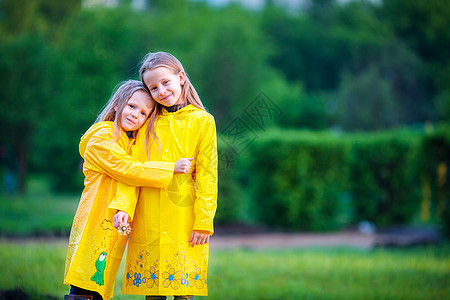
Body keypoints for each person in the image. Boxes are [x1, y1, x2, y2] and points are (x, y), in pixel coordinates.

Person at [64, 80, 194, 300]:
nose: (136, 115)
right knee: (85, 278)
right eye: (132, 106)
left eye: (144, 113)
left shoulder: (129, 141)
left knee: (99, 279)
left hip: (115, 221)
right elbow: (128, 169)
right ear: (117, 105)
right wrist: (170, 167)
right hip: (95, 219)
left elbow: (131, 180)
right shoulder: (100, 139)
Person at [111, 52, 218, 299]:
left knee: (183, 290)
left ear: (180, 77)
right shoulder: (146, 122)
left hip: (184, 219)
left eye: (165, 82)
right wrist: (122, 208)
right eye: (153, 87)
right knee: (153, 291)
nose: (161, 91)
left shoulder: (202, 121)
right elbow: (131, 170)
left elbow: (207, 176)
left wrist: (203, 222)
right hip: (147, 216)